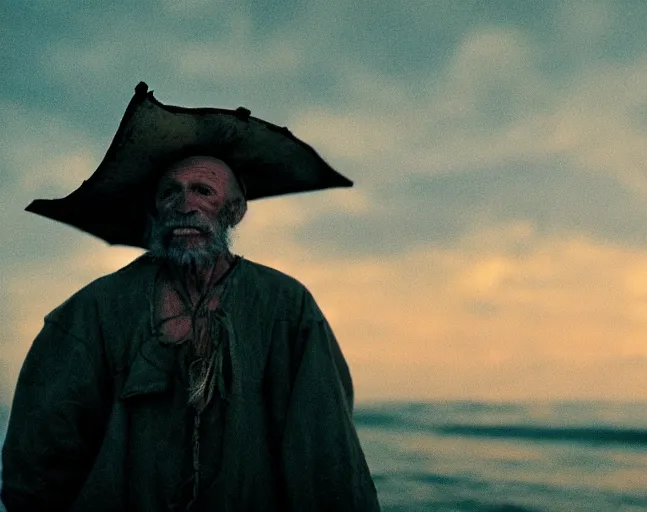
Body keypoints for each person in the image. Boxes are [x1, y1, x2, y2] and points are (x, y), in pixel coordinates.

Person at [2, 83, 380, 511]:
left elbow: (326, 452)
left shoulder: (285, 306)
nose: (185, 205)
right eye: (170, 193)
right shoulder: (94, 310)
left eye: (203, 191)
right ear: (155, 211)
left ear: (234, 211)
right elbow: (37, 459)